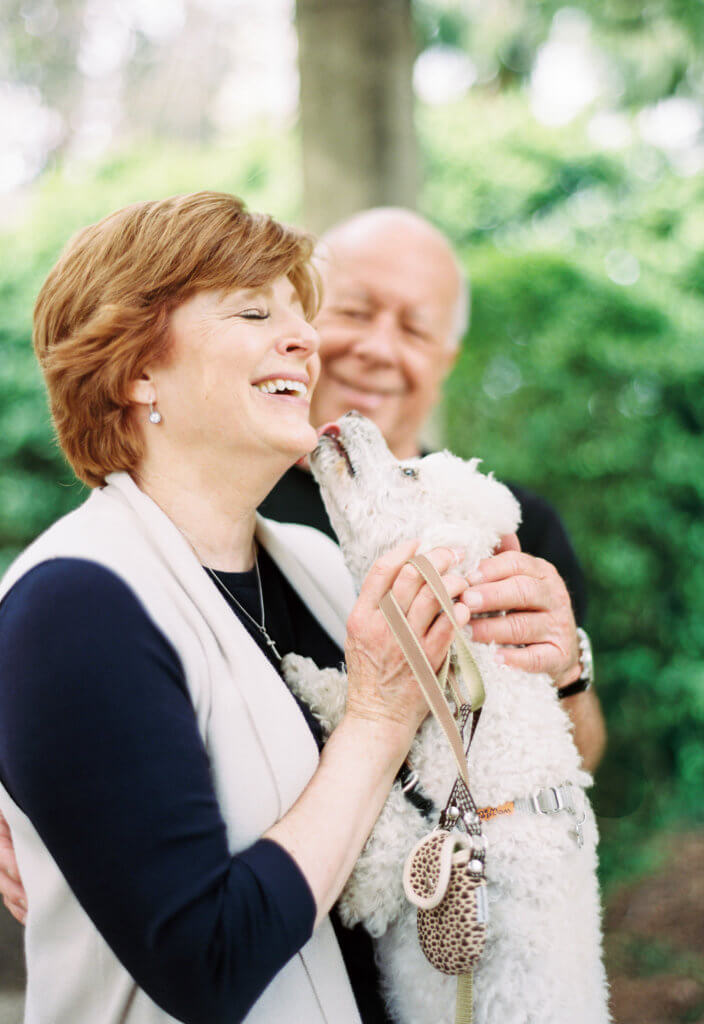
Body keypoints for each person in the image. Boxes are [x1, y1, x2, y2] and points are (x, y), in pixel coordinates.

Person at [0, 193, 554, 1024]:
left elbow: (478, 806)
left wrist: (545, 658)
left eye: (301, 312)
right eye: (255, 311)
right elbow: (205, 965)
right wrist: (375, 717)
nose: (306, 337)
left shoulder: (325, 570)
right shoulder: (73, 604)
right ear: (135, 369)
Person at [259, 207, 606, 770]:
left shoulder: (512, 527)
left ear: (447, 359)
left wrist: (568, 672)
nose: (378, 349)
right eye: (354, 311)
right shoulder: (227, 506)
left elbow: (574, 766)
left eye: (415, 329)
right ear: (300, 322)